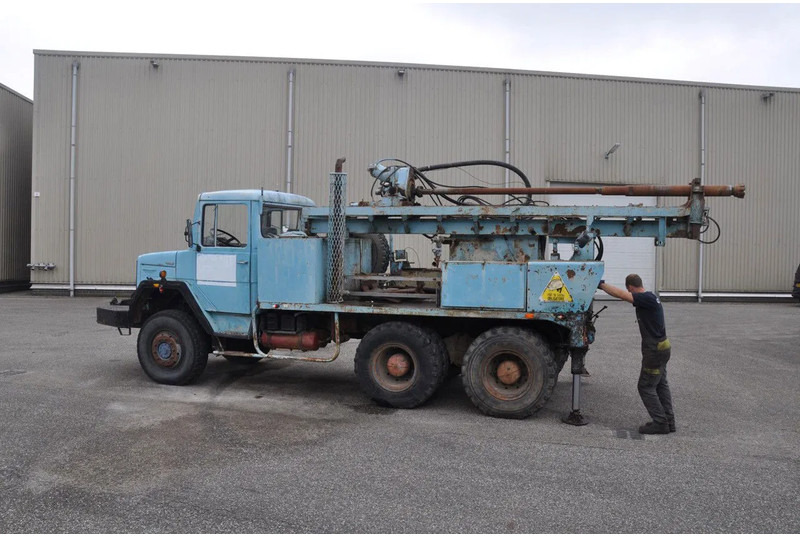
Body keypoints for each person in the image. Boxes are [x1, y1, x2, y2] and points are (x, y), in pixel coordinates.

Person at [598, 274, 675, 435]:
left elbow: (621, 295)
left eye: (629, 290)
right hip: (662, 347)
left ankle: (661, 423)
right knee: (660, 384)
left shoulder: (645, 298)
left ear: (630, 287)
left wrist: (601, 285)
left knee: (646, 386)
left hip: (654, 350)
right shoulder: (651, 297)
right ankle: (669, 421)